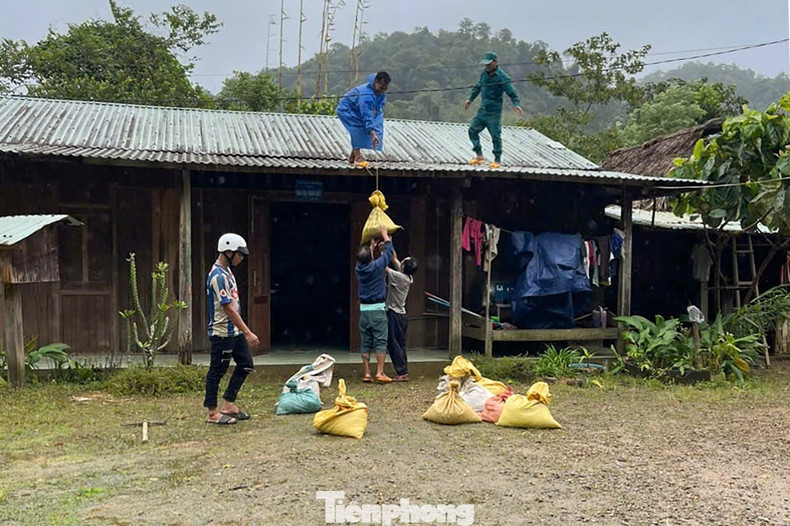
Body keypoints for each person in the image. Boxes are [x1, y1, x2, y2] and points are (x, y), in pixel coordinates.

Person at [204, 233, 260, 425]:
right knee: (217, 371)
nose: (241, 258)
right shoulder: (218, 276)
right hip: (222, 333)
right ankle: (212, 413)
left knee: (246, 363)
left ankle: (229, 403)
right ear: (228, 252)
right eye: (239, 254)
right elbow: (228, 308)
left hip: (234, 332)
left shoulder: (228, 272)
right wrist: (247, 331)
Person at [464, 52, 524, 169]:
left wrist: (516, 104)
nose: (487, 66)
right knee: (472, 130)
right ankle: (479, 155)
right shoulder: (484, 74)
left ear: (495, 62)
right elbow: (478, 87)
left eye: (489, 64)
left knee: (495, 135)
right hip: (483, 110)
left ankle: (497, 160)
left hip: (494, 112)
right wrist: (470, 99)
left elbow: (512, 93)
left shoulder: (502, 77)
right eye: (485, 64)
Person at [355, 225, 395, 383]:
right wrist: (385, 236)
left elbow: (366, 259)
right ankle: (380, 372)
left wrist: (371, 247)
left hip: (364, 311)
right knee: (380, 340)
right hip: (378, 310)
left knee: (365, 341)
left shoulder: (359, 269)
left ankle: (366, 373)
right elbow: (389, 253)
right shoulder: (378, 267)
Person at [336, 71, 391, 167]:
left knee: (376, 123)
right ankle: (357, 157)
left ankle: (352, 157)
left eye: (385, 88)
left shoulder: (379, 91)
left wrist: (375, 126)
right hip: (347, 109)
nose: (382, 90)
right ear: (376, 82)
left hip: (360, 109)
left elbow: (378, 107)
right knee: (358, 127)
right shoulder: (366, 96)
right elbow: (366, 115)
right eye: (381, 88)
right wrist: (372, 133)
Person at [385, 250, 418, 382]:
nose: (401, 261)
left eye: (403, 261)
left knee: (394, 344)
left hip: (395, 315)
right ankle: (403, 370)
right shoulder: (408, 276)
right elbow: (394, 259)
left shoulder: (399, 277)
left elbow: (383, 267)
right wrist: (388, 241)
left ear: (404, 267)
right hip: (401, 315)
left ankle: (402, 372)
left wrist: (376, 251)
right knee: (400, 343)